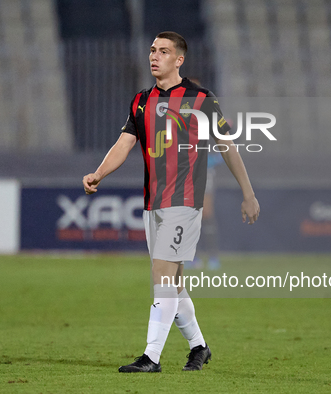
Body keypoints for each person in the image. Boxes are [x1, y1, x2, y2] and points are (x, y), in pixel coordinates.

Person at [82, 31, 259, 373]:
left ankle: (151, 357)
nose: (154, 56)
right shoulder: (141, 101)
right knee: (174, 284)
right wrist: (99, 173)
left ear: (179, 60)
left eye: (163, 51)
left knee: (161, 276)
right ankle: (199, 347)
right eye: (152, 50)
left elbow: (227, 145)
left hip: (185, 201)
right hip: (154, 203)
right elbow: (124, 143)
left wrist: (248, 193)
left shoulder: (201, 99)